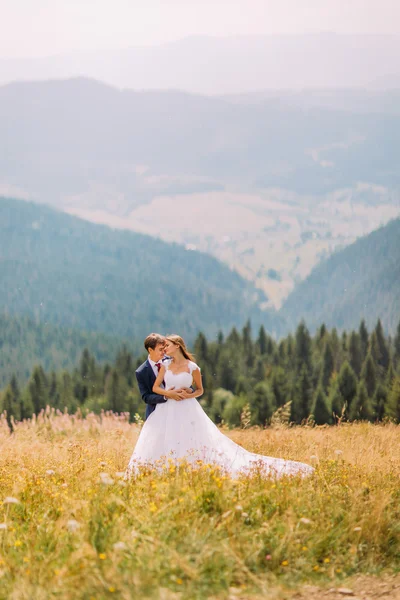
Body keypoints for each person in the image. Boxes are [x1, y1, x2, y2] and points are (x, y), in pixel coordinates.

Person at [127, 334, 314, 478]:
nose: (164, 351)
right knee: (161, 441)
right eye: (161, 348)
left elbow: (196, 387)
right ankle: (160, 471)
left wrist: (188, 393)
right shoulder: (142, 371)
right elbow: (148, 393)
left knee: (191, 438)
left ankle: (190, 468)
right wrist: (170, 396)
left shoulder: (178, 363)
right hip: (162, 410)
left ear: (176, 346)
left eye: (166, 346)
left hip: (186, 408)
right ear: (150, 350)